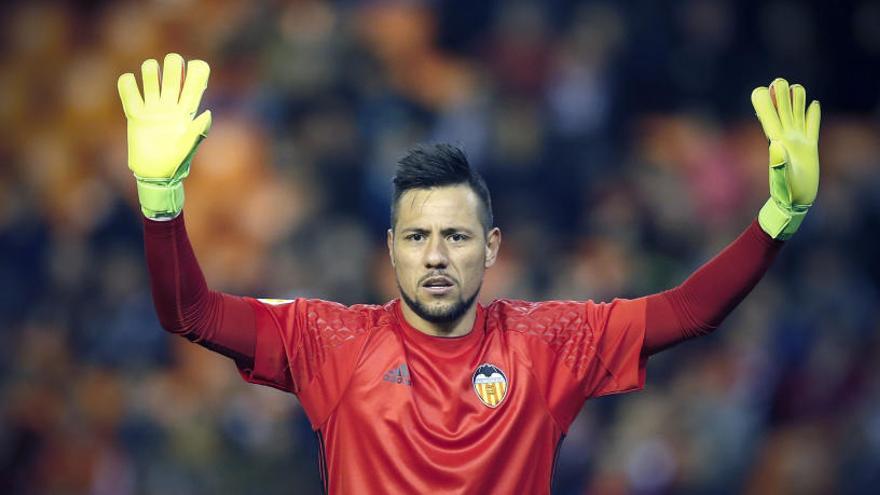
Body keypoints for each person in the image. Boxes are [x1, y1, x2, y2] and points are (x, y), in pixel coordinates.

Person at [117, 53, 820, 493]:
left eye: (456, 236)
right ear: (390, 249)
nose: (435, 254)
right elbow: (191, 314)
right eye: (418, 236)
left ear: (491, 248)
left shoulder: (548, 343)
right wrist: (160, 203)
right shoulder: (327, 339)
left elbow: (689, 310)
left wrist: (778, 216)